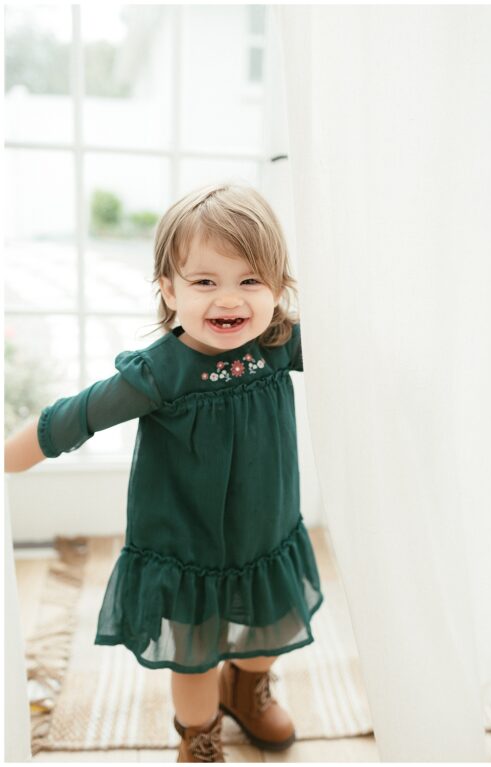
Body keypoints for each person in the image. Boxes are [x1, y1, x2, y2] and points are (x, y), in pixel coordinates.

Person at [5, 183, 321, 762]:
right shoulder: (159, 372)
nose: (230, 299)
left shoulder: (279, 343)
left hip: (263, 531)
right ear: (169, 290)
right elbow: (77, 416)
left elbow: (358, 350)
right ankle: (198, 736)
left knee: (267, 632)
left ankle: (247, 690)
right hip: (186, 545)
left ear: (279, 286)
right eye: (205, 281)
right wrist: (11, 457)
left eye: (250, 280)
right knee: (193, 658)